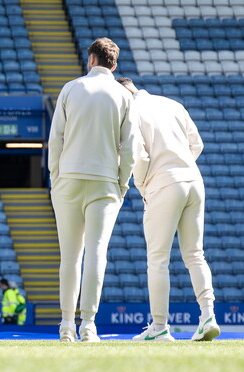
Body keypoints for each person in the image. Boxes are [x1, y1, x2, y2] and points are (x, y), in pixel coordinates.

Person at [47, 38, 138, 343]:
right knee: (96, 252)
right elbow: (130, 149)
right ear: (114, 64)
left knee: (70, 256)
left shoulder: (71, 88)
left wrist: (55, 177)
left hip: (69, 179)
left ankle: (65, 325)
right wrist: (122, 183)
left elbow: (56, 139)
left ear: (91, 60)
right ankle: (88, 324)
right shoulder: (124, 96)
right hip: (104, 181)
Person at [118, 78, 219, 343]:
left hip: (163, 184)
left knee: (158, 259)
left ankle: (160, 327)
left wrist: (144, 186)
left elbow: (138, 157)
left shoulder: (130, 111)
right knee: (195, 254)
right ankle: (208, 315)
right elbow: (196, 145)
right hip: (194, 181)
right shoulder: (172, 103)